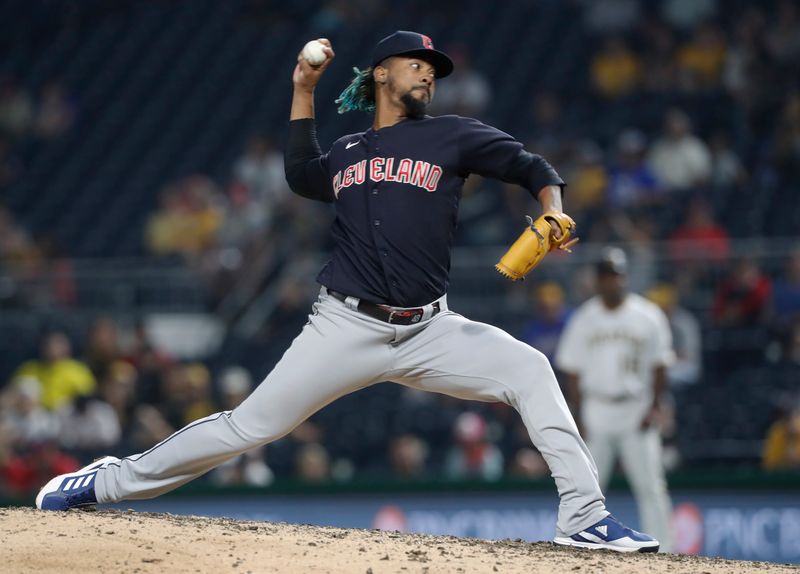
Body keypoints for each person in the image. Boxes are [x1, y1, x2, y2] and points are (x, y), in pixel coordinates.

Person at [35, 31, 658, 553]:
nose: (428, 76)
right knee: (248, 426)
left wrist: (553, 210)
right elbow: (301, 175)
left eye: (433, 70)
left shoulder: (452, 135)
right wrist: (303, 90)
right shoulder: (348, 150)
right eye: (417, 65)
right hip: (345, 327)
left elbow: (533, 168)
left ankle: (583, 518)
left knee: (530, 368)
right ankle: (109, 484)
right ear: (382, 74)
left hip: (429, 329)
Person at [555, 247, 675, 552]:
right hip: (596, 408)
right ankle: (580, 545)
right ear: (597, 280)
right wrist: (578, 414)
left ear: (625, 278)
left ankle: (666, 552)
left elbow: (660, 364)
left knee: (651, 486)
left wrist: (655, 405)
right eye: (606, 276)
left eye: (616, 276)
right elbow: (572, 370)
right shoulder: (584, 318)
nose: (612, 282)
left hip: (636, 407)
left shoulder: (647, 315)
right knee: (587, 487)